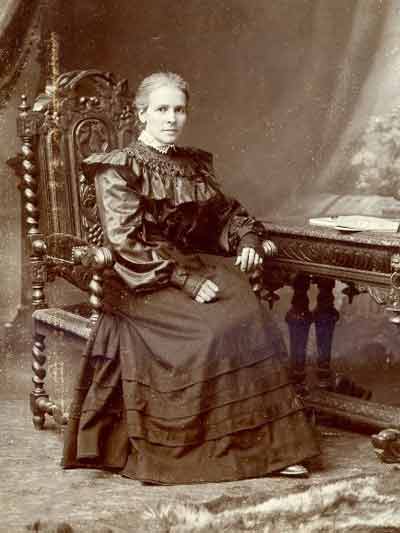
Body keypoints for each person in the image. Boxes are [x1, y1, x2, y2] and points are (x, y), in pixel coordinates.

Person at [62, 72, 320, 484]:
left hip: (191, 264)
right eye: (161, 109)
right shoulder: (118, 168)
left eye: (179, 110)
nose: (171, 118)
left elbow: (224, 215)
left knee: (247, 314)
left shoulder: (192, 165)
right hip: (139, 277)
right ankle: (204, 451)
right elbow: (125, 242)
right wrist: (185, 281)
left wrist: (247, 238)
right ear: (142, 113)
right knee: (211, 331)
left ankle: (269, 448)